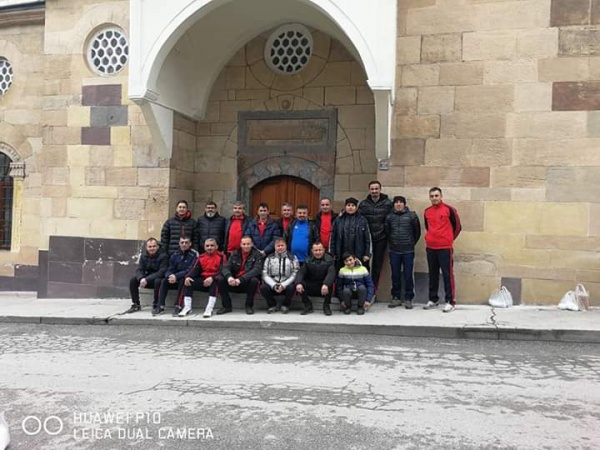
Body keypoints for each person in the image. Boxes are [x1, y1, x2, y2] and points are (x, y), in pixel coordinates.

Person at [423, 187, 461, 313]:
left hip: (445, 248)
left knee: (447, 274)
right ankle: (433, 299)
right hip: (431, 247)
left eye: (436, 195)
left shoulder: (449, 210)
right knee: (432, 273)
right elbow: (428, 227)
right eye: (432, 196)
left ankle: (450, 301)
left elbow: (457, 227)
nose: (434, 198)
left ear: (441, 196)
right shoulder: (427, 211)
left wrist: (448, 239)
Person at [329, 197, 372, 308]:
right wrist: (332, 252)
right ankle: (342, 299)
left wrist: (367, 253)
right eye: (348, 205)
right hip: (341, 254)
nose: (350, 207)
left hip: (358, 254)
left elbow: (368, 238)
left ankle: (361, 300)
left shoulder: (362, 220)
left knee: (359, 278)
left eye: (353, 205)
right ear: (345, 207)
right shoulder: (338, 220)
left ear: (356, 207)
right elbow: (333, 237)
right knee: (341, 277)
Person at [385, 196, 421, 310]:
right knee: (395, 275)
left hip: (408, 251)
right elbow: (387, 232)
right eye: (396, 202)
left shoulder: (412, 216)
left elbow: (417, 232)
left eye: (401, 202)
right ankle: (396, 297)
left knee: (408, 275)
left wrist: (411, 243)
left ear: (404, 204)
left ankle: (408, 298)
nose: (399, 204)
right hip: (394, 251)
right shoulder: (389, 217)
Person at [358, 180, 393, 293]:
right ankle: (365, 285)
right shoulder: (363, 204)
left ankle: (373, 287)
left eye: (376, 189)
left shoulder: (388, 203)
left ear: (380, 189)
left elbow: (391, 219)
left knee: (378, 264)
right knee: (364, 262)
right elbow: (359, 219)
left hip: (381, 237)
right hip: (367, 238)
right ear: (369, 190)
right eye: (372, 189)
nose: (374, 191)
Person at [218, 235, 264, 315]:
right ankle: (226, 306)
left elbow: (257, 270)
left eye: (248, 244)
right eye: (244, 244)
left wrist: (241, 279)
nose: (246, 246)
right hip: (234, 281)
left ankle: (249, 306)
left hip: (246, 281)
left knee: (254, 280)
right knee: (221, 279)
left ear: (252, 244)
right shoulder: (235, 253)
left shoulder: (257, 254)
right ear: (240, 245)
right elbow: (226, 267)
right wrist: (229, 277)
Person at [182, 238, 226, 318]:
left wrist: (212, 278)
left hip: (215, 280)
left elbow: (223, 271)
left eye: (212, 245)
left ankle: (209, 308)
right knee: (189, 281)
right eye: (207, 246)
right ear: (204, 247)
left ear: (216, 247)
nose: (209, 247)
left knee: (215, 282)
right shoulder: (201, 257)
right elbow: (194, 269)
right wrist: (188, 277)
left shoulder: (221, 256)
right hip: (204, 280)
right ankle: (187, 307)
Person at [153, 236, 198, 316]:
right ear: (179, 243)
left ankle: (178, 305)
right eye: (182, 242)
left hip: (185, 277)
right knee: (164, 281)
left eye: (186, 242)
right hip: (174, 277)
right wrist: (170, 276)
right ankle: (160, 305)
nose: (184, 244)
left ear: (190, 244)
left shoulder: (193, 255)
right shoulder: (175, 254)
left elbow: (190, 270)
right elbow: (170, 268)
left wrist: (176, 276)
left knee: (183, 281)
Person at [125, 237, 168, 313]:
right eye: (150, 247)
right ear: (146, 247)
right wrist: (141, 278)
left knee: (158, 281)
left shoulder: (164, 256)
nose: (152, 248)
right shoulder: (143, 255)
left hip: (157, 278)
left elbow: (161, 272)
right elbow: (139, 269)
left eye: (154, 246)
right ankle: (136, 304)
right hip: (146, 278)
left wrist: (147, 279)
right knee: (133, 280)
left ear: (157, 246)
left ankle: (156, 305)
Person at [295, 241, 336, 315]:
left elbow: (331, 273)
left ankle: (326, 306)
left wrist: (326, 284)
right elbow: (301, 272)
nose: (318, 252)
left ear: (324, 250)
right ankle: (308, 305)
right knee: (300, 283)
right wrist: (298, 283)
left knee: (330, 285)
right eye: (316, 250)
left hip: (323, 286)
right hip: (311, 285)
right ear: (312, 251)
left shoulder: (330, 260)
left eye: (320, 250)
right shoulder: (308, 260)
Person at [260, 237, 299, 314]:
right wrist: (274, 285)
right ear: (275, 247)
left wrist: (283, 285)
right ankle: (272, 305)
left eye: (282, 245)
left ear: (286, 246)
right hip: (273, 284)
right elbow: (264, 273)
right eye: (278, 246)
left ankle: (285, 305)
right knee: (263, 287)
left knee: (292, 287)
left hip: (286, 284)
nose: (280, 247)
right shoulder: (269, 258)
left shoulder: (292, 258)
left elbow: (295, 273)